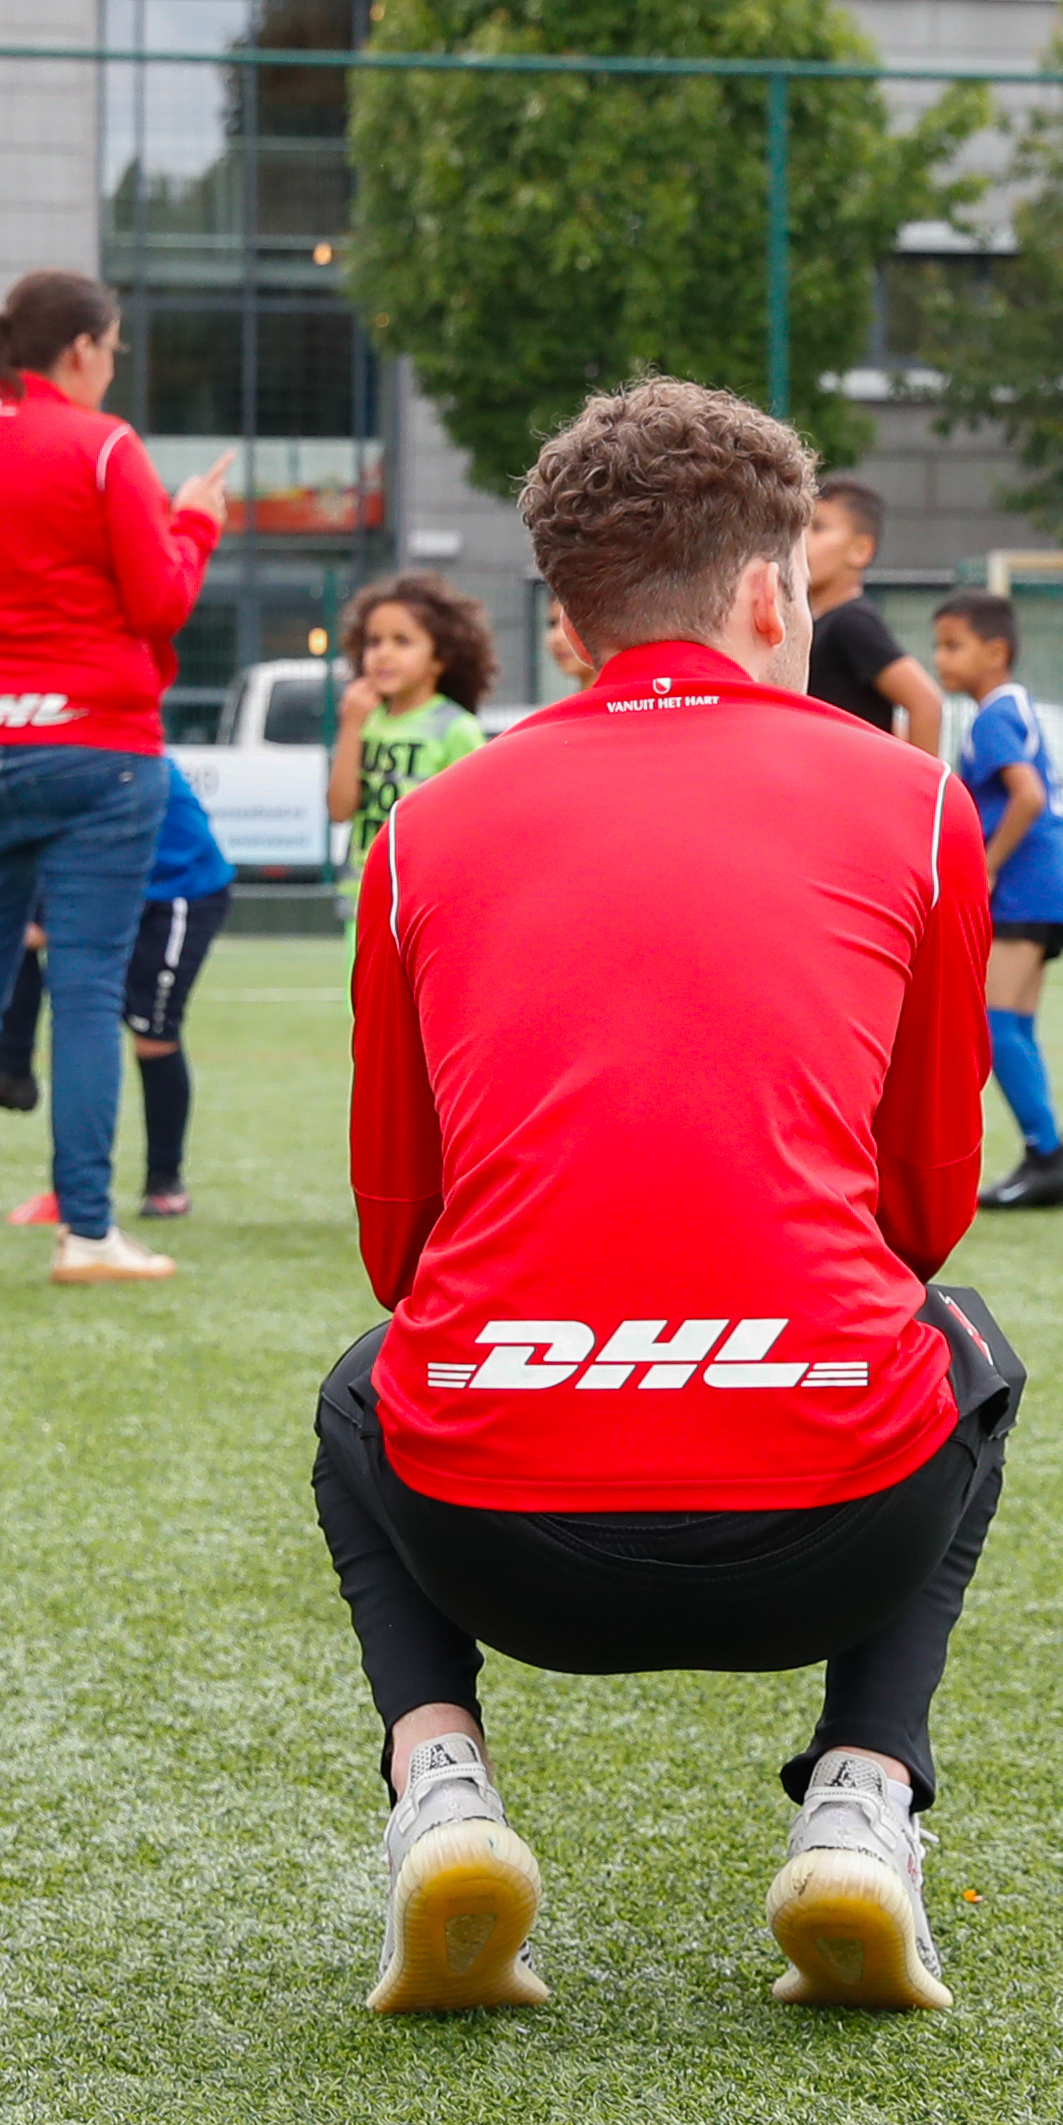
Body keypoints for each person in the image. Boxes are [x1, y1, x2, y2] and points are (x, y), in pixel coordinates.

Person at [318, 377, 1010, 2016]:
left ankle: (440, 1798)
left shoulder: (419, 826)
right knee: (962, 1341)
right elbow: (924, 1210)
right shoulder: (916, 802)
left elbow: (394, 1246)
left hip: (491, 1538)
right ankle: (860, 1798)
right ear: (773, 592)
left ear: (562, 623)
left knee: (361, 1391)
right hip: (832, 1523)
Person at [0, 271, 231, 1287]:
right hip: (98, 750)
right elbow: (160, 600)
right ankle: (86, 1230)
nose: (111, 366)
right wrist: (196, 519)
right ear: (81, 349)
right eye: (111, 348)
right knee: (82, 991)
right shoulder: (107, 444)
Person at [0, 761, 239, 1224]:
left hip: (178, 890)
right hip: (112, 879)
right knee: (69, 1001)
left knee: (153, 1035)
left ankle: (164, 1181)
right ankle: (14, 1070)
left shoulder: (112, 752)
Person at [931, 590, 1063, 1210]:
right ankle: (1045, 1154)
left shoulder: (994, 715)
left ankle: (1048, 1155)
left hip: (1024, 891)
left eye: (952, 646)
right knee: (1014, 1024)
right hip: (1047, 891)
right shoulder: (1010, 708)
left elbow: (1027, 797)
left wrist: (987, 869)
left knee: (995, 1026)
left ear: (996, 652)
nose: (939, 659)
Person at [330, 573, 495, 931]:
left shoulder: (456, 728)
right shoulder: (363, 720)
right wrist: (351, 726)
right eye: (374, 642)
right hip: (365, 894)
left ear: (440, 657)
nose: (383, 654)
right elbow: (339, 808)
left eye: (402, 641)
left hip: (425, 899)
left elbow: (475, 824)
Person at [802, 479, 943, 754]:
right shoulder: (818, 623)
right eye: (800, 527)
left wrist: (921, 793)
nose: (803, 539)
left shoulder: (851, 622)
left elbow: (926, 702)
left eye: (818, 528)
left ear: (860, 551)